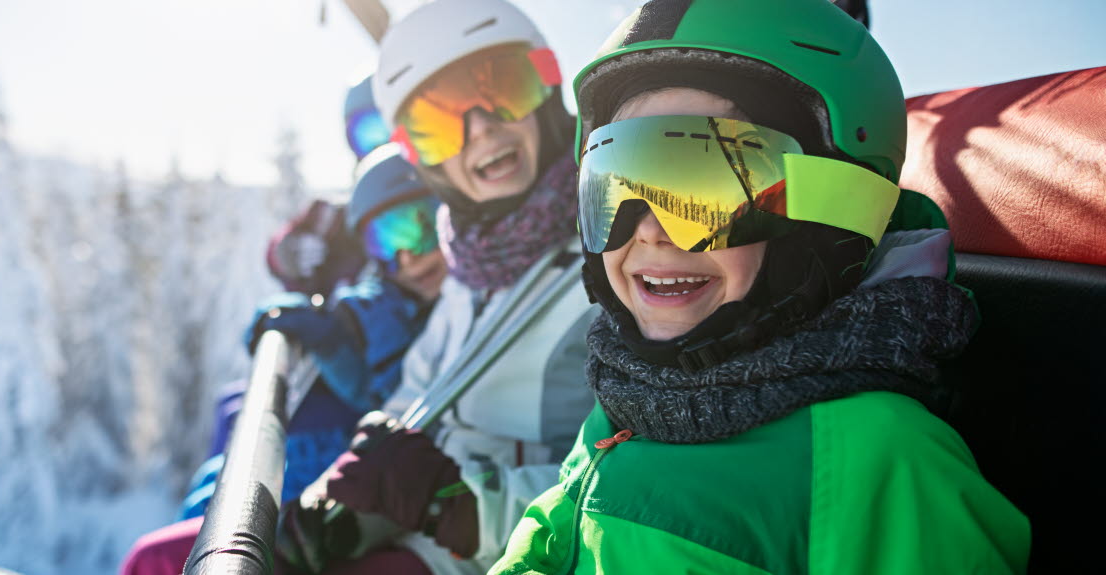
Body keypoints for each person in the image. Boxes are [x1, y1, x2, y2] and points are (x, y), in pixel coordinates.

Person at [489, 0, 1031, 573]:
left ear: (829, 217)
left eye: (703, 189)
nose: (648, 230)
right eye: (614, 186)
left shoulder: (880, 457)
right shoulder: (629, 398)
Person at [274, 1, 598, 574]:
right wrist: (365, 484)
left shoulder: (611, 256)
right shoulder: (468, 269)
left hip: (505, 552)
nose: (481, 129)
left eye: (504, 88)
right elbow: (413, 399)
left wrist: (464, 505)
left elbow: (637, 469)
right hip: (426, 537)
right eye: (439, 123)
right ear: (421, 157)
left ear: (546, 89)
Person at [121, 148, 448, 575]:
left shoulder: (449, 309)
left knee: (157, 559)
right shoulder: (381, 292)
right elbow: (293, 246)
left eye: (423, 229)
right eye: (387, 241)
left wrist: (331, 343)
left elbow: (393, 396)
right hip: (324, 479)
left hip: (351, 490)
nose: (408, 255)